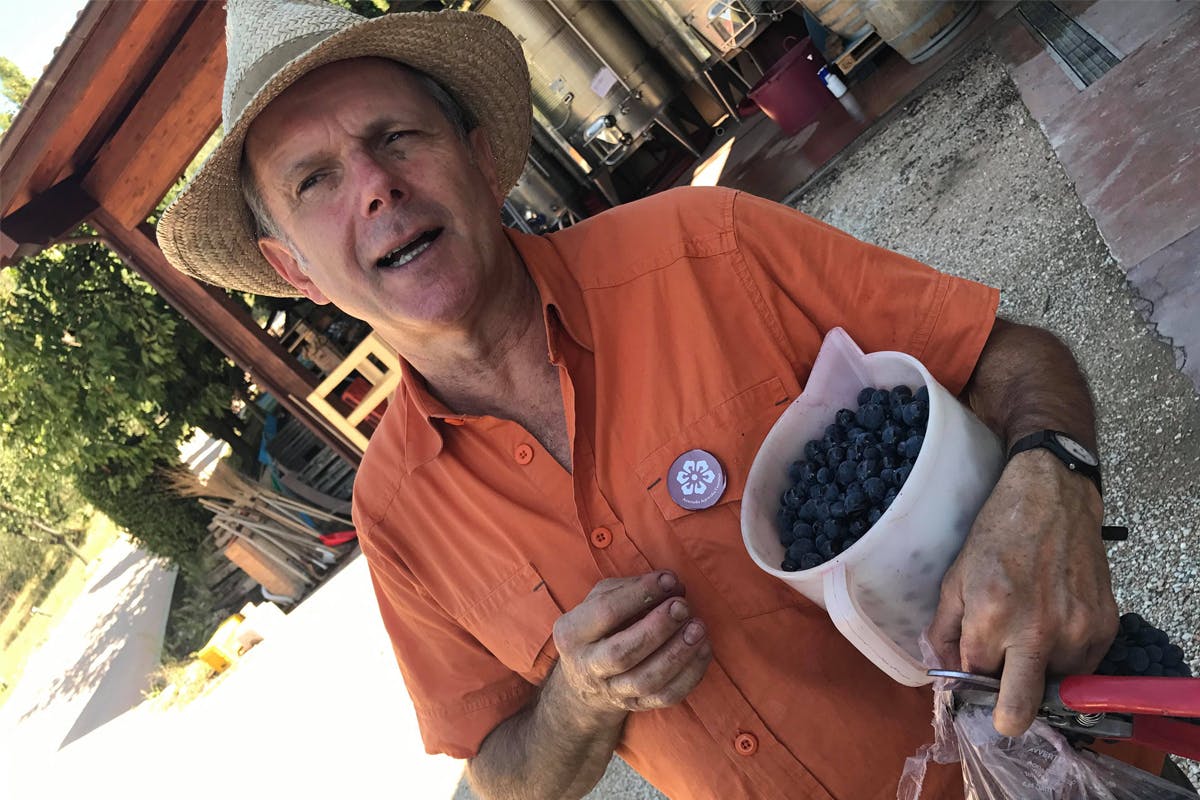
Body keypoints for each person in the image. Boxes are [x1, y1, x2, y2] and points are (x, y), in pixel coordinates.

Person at [158, 1, 1159, 797]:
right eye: (315, 181)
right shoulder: (396, 514)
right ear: (294, 268)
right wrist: (576, 701)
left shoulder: (707, 246)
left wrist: (1050, 476)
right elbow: (501, 772)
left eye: (397, 136)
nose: (376, 186)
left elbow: (1003, 353)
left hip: (1062, 764)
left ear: (479, 156)